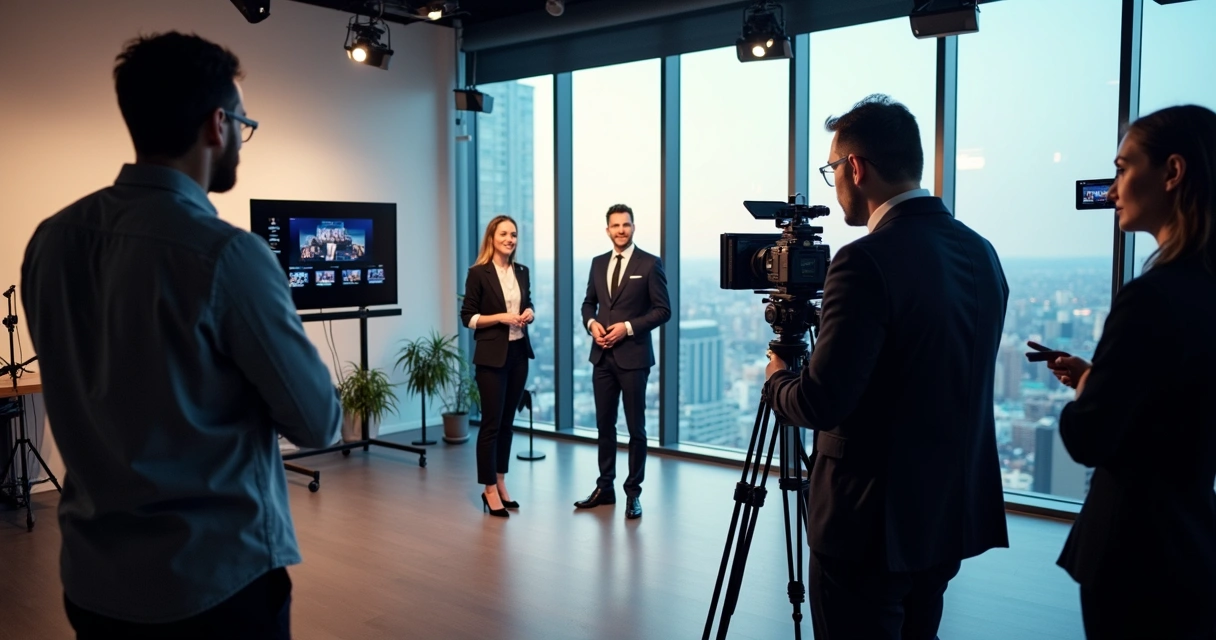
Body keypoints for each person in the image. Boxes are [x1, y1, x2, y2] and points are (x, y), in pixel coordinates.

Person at [20, 32, 341, 637]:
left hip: (93, 582)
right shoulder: (227, 255)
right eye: (243, 125)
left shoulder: (51, 240)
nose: (241, 139)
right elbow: (318, 420)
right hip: (214, 584)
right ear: (218, 125)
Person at [764, 94, 1009, 639]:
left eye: (832, 169)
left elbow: (821, 402)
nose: (834, 182)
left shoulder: (864, 259)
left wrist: (777, 377)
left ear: (856, 167)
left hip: (866, 522)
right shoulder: (981, 252)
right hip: (944, 513)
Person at [1044, 105, 1216, 639]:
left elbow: (1088, 438)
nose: (1113, 189)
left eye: (1122, 169)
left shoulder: (1151, 297)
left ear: (1172, 172)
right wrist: (1104, 380)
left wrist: (1090, 391)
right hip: (1194, 541)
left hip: (1133, 552)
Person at [574, 204, 671, 520]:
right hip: (602, 356)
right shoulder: (598, 263)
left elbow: (663, 310)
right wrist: (592, 324)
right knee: (604, 425)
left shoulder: (650, 263)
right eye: (615, 225)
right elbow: (588, 304)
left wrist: (626, 328)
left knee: (635, 428)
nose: (620, 230)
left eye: (626, 225)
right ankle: (605, 488)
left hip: (633, 358)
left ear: (633, 227)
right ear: (608, 230)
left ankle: (633, 493)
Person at [460, 215, 535, 518]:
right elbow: (468, 317)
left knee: (507, 424)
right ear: (492, 237)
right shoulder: (478, 273)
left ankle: (501, 482)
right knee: (491, 425)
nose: (509, 239)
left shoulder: (522, 271)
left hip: (519, 354)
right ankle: (488, 488)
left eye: (513, 234)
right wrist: (501, 318)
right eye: (503, 234)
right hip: (491, 358)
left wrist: (529, 312)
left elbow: (527, 302)